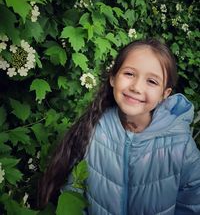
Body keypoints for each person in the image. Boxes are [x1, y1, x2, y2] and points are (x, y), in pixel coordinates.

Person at [39, 38, 200, 215]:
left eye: (152, 81)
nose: (137, 87)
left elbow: (192, 205)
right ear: (113, 78)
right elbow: (74, 192)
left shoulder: (181, 146)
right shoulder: (92, 130)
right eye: (129, 74)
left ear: (165, 94)